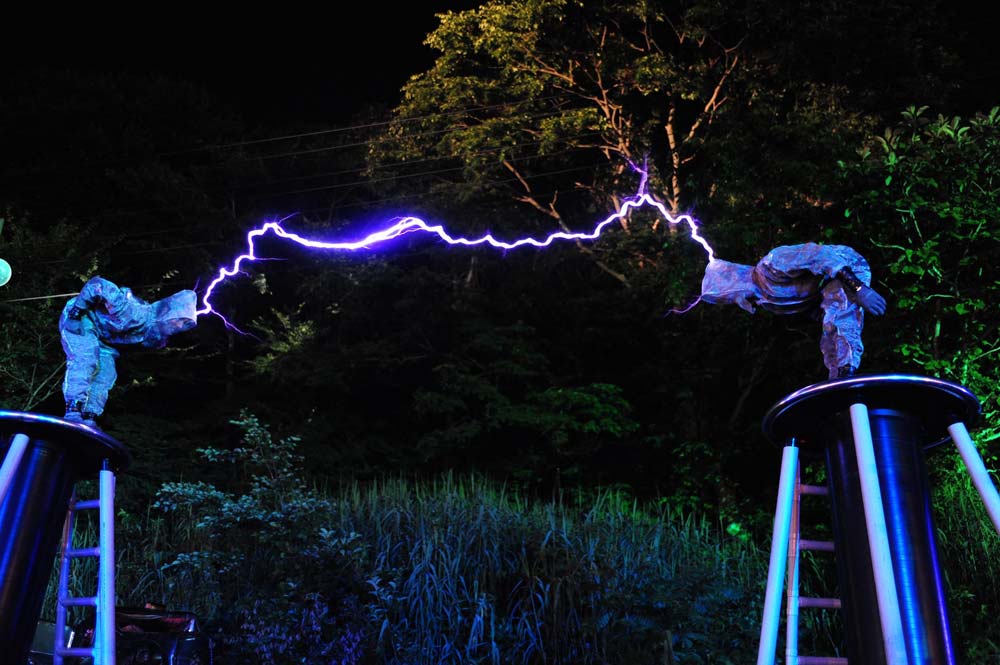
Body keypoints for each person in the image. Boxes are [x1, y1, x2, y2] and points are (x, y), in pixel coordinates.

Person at [699, 243, 887, 379]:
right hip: (824, 287)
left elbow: (818, 254)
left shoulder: (772, 265)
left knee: (840, 319)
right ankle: (837, 378)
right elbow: (806, 306)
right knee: (829, 335)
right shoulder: (766, 300)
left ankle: (847, 372)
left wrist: (859, 288)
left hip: (845, 265)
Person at [59, 276, 198, 426]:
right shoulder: (136, 313)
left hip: (103, 338)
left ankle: (89, 415)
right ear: (168, 312)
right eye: (180, 319)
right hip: (83, 319)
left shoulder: (151, 332)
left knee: (106, 373)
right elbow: (98, 284)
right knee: (86, 358)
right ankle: (73, 410)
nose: (179, 326)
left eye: (185, 324)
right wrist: (76, 313)